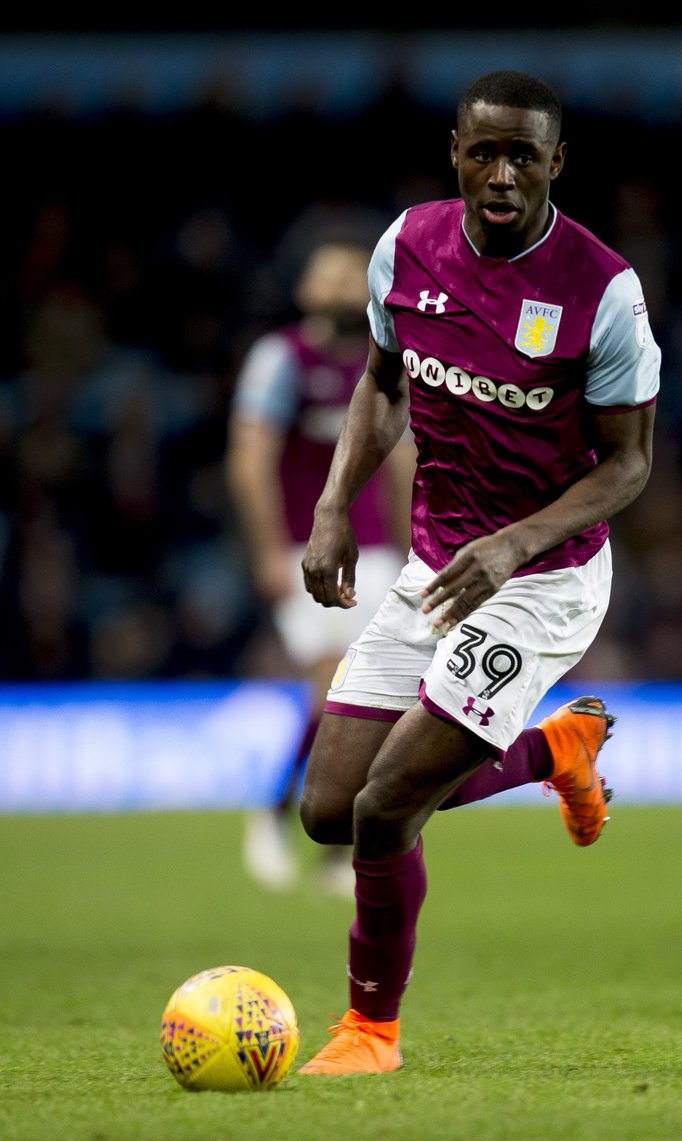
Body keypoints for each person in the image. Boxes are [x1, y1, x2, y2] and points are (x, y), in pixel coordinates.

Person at [295, 69, 660, 1074]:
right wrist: (332, 510)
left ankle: (370, 1031)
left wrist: (512, 545)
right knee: (327, 809)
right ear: (455, 149)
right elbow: (380, 386)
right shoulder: (405, 247)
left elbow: (627, 464)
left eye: (523, 155)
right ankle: (556, 750)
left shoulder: (600, 292)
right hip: (436, 566)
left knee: (384, 809)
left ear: (555, 163)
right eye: (484, 151)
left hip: (542, 579)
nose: (501, 174)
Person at [226, 235, 414, 894]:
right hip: (309, 551)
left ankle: (338, 843)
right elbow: (250, 461)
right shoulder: (281, 359)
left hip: (381, 555)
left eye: (348, 279)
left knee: (377, 701)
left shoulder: (383, 359)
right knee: (334, 688)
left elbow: (399, 462)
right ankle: (278, 811)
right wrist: (268, 548)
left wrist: (416, 545)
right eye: (326, 277)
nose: (337, 289)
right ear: (305, 291)